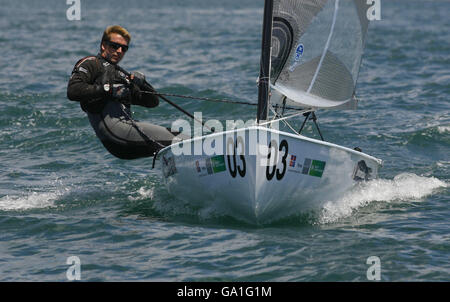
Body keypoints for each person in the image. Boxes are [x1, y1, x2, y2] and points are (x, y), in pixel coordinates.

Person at [67, 25, 180, 159]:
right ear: (104, 45)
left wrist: (142, 83)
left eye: (124, 48)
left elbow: (152, 102)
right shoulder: (92, 63)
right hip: (115, 134)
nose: (119, 51)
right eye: (114, 46)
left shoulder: (122, 75)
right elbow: (73, 91)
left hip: (126, 137)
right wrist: (109, 90)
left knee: (178, 144)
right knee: (183, 140)